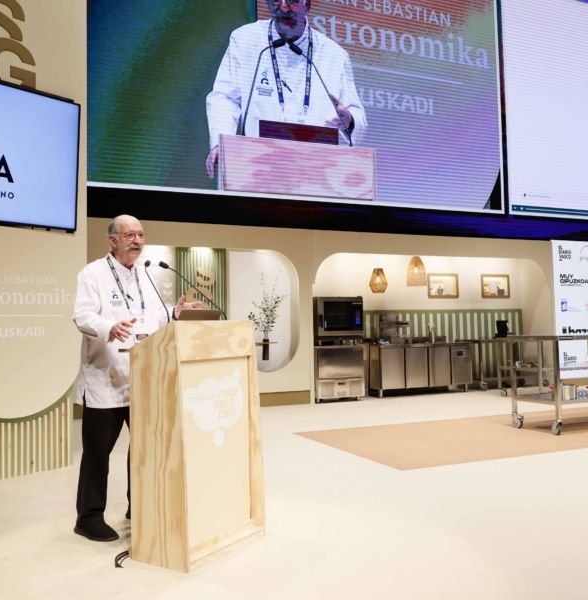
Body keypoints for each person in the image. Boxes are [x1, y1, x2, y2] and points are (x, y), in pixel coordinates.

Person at [72, 215, 201, 542]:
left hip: (144, 379)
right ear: (112, 240)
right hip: (106, 380)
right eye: (130, 235)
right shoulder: (93, 274)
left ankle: (138, 505)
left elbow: (154, 316)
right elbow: (82, 315)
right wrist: (108, 328)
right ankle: (88, 517)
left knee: (143, 449)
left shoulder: (145, 275)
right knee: (97, 454)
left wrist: (176, 313)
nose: (138, 240)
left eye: (141, 235)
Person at [205, 0, 367, 178]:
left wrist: (348, 119)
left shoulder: (334, 55)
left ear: (308, 4)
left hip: (316, 172)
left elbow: (357, 118)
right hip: (258, 168)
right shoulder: (245, 39)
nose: (283, 7)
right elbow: (224, 97)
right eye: (275, 0)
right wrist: (221, 141)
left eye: (293, 1)